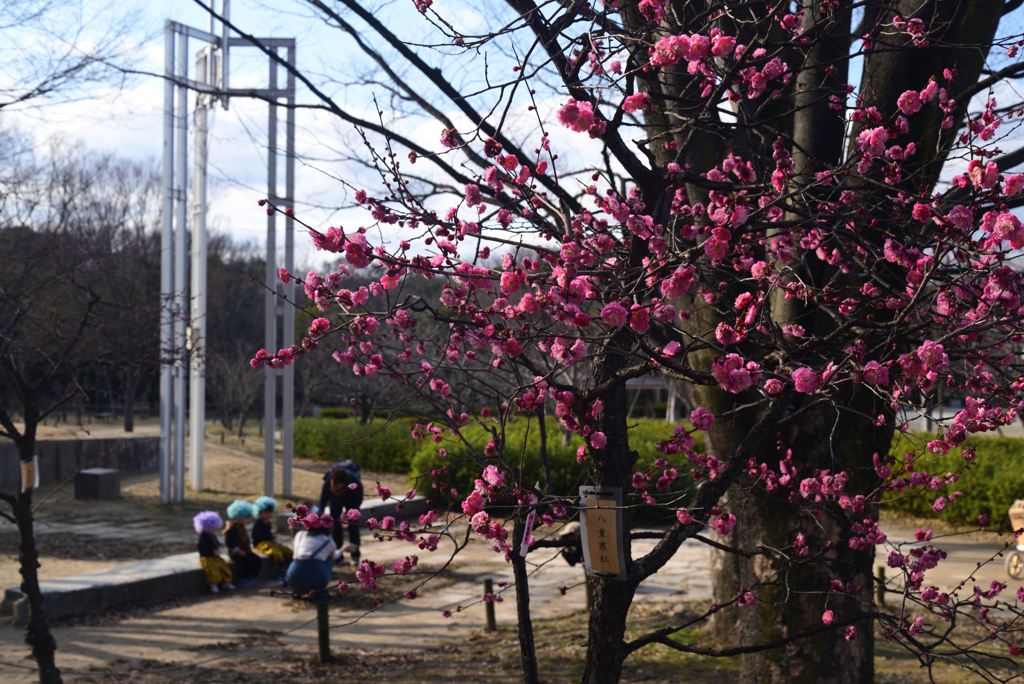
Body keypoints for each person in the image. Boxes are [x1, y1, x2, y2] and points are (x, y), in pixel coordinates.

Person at [317, 459, 363, 565]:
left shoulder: (354, 479)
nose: (337, 487)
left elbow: (359, 498)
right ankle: (338, 556)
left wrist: (350, 514)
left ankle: (355, 555)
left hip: (351, 501)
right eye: (335, 484)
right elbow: (323, 498)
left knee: (353, 526)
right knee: (336, 527)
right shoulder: (329, 479)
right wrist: (320, 514)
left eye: (339, 485)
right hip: (335, 502)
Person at [285, 513, 338, 596]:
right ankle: (319, 590)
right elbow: (334, 556)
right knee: (329, 560)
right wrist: (343, 550)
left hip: (293, 580)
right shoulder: (328, 542)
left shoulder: (299, 535)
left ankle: (298, 590)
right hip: (316, 582)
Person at [252, 496, 293, 582]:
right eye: (266, 512)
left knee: (286, 550)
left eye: (270, 511)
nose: (269, 514)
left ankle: (290, 569)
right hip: (260, 544)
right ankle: (279, 572)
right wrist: (272, 538)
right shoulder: (258, 524)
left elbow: (269, 535)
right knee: (276, 553)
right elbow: (261, 537)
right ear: (259, 512)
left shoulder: (268, 524)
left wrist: (274, 539)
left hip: (269, 543)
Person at [194, 510, 235, 593]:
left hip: (215, 557)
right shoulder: (203, 537)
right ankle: (212, 584)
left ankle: (226, 582)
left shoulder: (212, 536)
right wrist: (216, 546)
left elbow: (216, 543)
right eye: (213, 528)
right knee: (212, 569)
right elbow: (208, 545)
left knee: (223, 565)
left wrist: (220, 545)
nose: (214, 529)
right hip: (207, 558)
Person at [224, 500, 262, 587]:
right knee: (245, 562)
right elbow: (229, 542)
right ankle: (240, 579)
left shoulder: (241, 526)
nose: (247, 520)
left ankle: (250, 576)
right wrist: (237, 550)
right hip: (235, 553)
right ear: (238, 517)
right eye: (245, 518)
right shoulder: (232, 528)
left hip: (245, 551)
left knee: (256, 560)